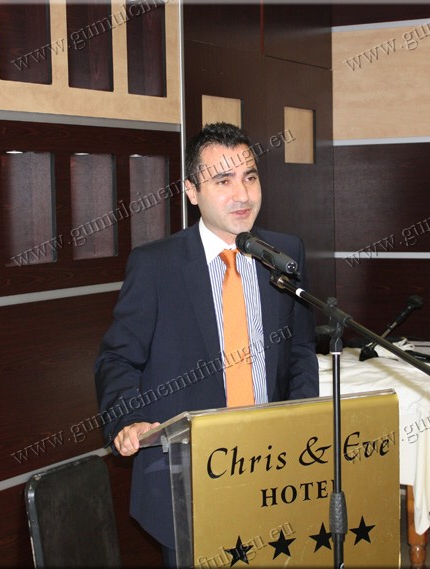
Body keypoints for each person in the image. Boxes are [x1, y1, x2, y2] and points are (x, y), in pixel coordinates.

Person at [94, 122, 318, 566]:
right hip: (188, 473)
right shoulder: (155, 266)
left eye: (250, 177)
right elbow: (117, 358)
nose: (242, 195)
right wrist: (129, 419)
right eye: (223, 181)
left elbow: (299, 353)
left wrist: (301, 432)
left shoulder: (284, 253)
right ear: (191, 191)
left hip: (272, 467)